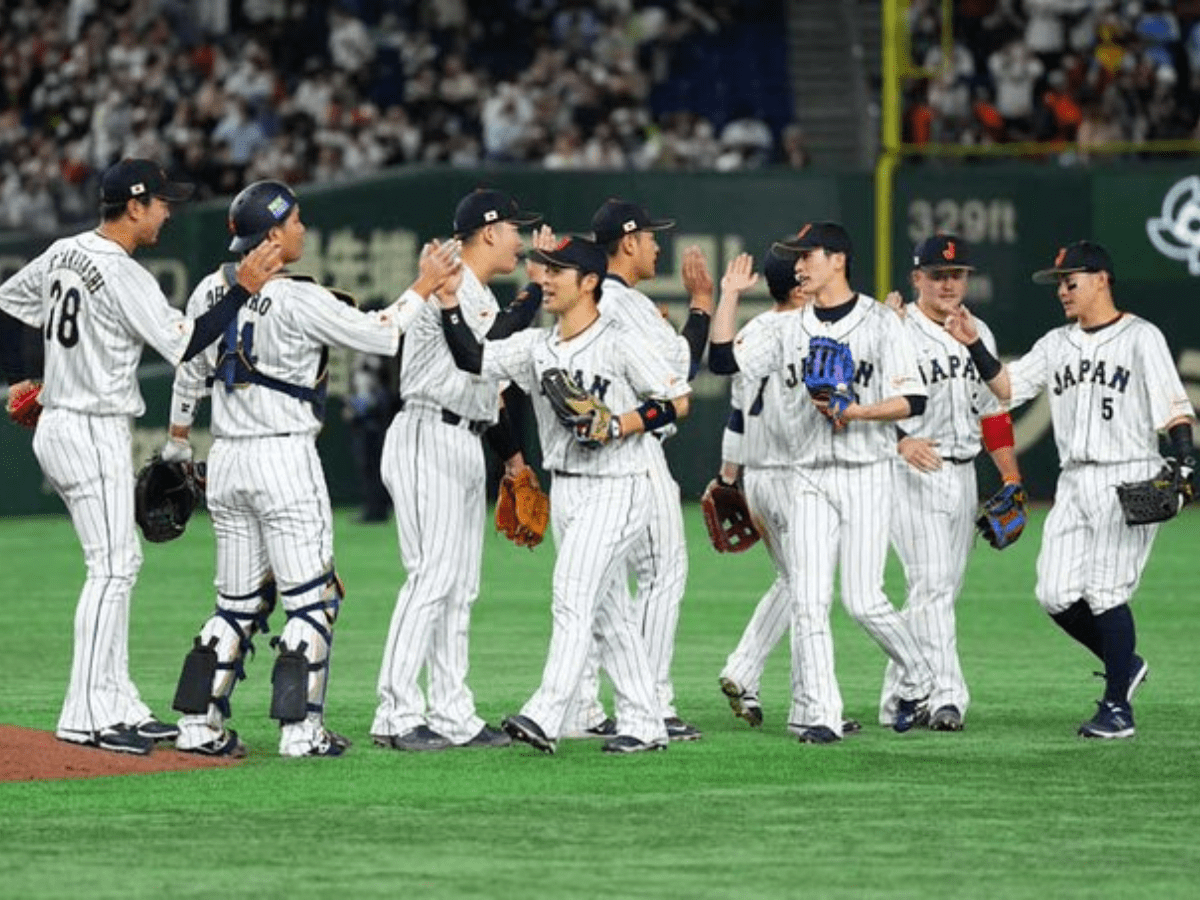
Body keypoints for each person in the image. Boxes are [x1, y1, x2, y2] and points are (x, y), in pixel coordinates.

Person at [163, 179, 460, 757]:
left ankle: (197, 728)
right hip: (282, 458)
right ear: (272, 233)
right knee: (312, 600)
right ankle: (301, 732)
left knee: (235, 604)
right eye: (294, 221)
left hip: (226, 459)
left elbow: (187, 373)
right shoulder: (299, 298)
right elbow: (381, 334)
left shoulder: (206, 292)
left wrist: (178, 441)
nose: (302, 228)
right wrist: (424, 284)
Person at [0, 158, 283, 755]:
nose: (168, 211)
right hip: (91, 428)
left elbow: (11, 302)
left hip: (62, 421)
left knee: (118, 561)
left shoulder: (62, 250)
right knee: (111, 570)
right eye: (160, 202)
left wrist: (31, 379)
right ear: (134, 206)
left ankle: (118, 699)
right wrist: (242, 291)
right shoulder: (122, 272)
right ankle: (83, 714)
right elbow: (187, 344)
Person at [437, 236, 692, 754]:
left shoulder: (619, 339)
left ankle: (546, 712)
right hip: (569, 489)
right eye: (544, 270)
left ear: (590, 282)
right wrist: (447, 304)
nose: (545, 279)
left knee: (572, 596)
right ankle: (644, 721)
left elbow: (677, 400)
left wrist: (621, 423)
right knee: (608, 612)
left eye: (558, 272)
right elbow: (473, 358)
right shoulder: (537, 347)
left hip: (620, 485)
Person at [944, 240, 1196, 739]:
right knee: (1054, 593)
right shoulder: (1057, 343)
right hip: (1074, 479)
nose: (1062, 290)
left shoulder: (1141, 337)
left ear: (1101, 279)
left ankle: (1118, 709)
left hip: (1128, 473)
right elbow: (1009, 387)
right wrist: (974, 343)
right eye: (1059, 283)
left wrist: (1186, 461)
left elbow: (1174, 406)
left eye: (1070, 281)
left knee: (1105, 592)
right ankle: (1125, 664)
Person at [708, 221, 934, 743]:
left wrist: (857, 411)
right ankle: (822, 716)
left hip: (868, 473)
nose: (799, 266)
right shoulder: (786, 327)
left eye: (807, 256)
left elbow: (913, 401)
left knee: (863, 600)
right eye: (796, 258)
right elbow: (723, 362)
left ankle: (921, 676)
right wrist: (728, 297)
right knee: (808, 601)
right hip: (807, 476)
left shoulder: (881, 322)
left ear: (838, 259)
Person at [371, 188, 550, 752]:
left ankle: (452, 713)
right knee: (431, 577)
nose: (520, 240)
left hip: (464, 439)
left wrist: (514, 461)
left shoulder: (477, 295)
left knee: (460, 587)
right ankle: (395, 714)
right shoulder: (453, 284)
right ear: (489, 232)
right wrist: (540, 289)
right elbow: (488, 345)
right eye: (515, 230)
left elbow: (492, 393)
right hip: (427, 434)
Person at [563, 198, 713, 743]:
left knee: (597, 584)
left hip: (599, 455)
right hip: (636, 451)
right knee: (661, 572)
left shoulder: (603, 298)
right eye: (650, 237)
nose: (656, 246)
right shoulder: (621, 300)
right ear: (627, 243)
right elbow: (680, 372)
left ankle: (582, 707)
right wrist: (701, 306)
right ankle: (650, 701)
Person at [879, 235, 1024, 732]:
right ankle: (946, 696)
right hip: (912, 471)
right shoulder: (895, 327)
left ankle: (899, 697)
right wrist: (900, 440)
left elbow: (994, 413)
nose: (948, 283)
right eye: (937, 275)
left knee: (935, 592)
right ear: (916, 278)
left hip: (963, 475)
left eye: (956, 274)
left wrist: (1010, 478)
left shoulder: (975, 329)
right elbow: (866, 398)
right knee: (933, 585)